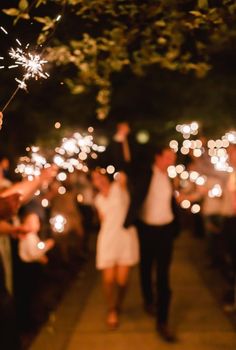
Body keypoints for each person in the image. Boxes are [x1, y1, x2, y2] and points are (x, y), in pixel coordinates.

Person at [126, 145, 177, 342]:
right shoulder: (145, 174)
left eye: (173, 157)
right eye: (168, 157)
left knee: (163, 276)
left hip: (166, 230)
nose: (171, 160)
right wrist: (122, 140)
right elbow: (126, 165)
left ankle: (162, 322)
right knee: (146, 267)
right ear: (157, 157)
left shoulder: (169, 178)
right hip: (147, 229)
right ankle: (148, 300)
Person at [91, 168, 139, 329]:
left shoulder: (119, 188)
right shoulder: (97, 199)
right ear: (93, 183)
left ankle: (118, 304)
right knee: (108, 279)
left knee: (122, 280)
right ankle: (112, 309)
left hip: (125, 238)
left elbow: (125, 163)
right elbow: (102, 219)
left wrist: (121, 142)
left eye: (101, 176)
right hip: (107, 239)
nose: (99, 180)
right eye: (95, 178)